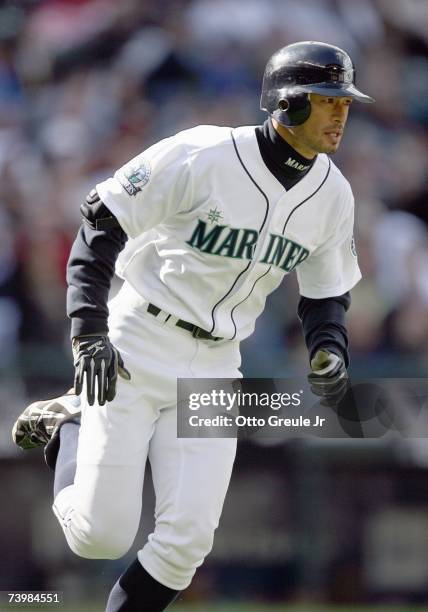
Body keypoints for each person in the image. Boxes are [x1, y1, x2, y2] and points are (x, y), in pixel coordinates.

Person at [12, 41, 374, 611]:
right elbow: (100, 224)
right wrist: (88, 334)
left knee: (187, 543)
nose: (340, 114)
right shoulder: (202, 152)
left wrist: (329, 348)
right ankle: (69, 430)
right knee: (99, 535)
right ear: (287, 103)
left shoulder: (332, 193)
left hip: (216, 363)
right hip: (137, 341)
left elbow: (325, 292)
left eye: (345, 102)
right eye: (327, 100)